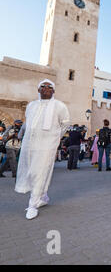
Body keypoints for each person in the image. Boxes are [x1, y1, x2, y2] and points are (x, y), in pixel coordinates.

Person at [15, 79, 70, 220]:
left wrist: (54, 138)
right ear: (38, 90)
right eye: (43, 86)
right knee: (30, 170)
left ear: (54, 91)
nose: (46, 88)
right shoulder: (31, 105)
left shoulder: (60, 106)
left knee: (39, 171)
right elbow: (27, 124)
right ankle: (43, 197)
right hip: (29, 144)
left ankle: (32, 204)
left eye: (49, 86)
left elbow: (65, 124)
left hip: (46, 145)